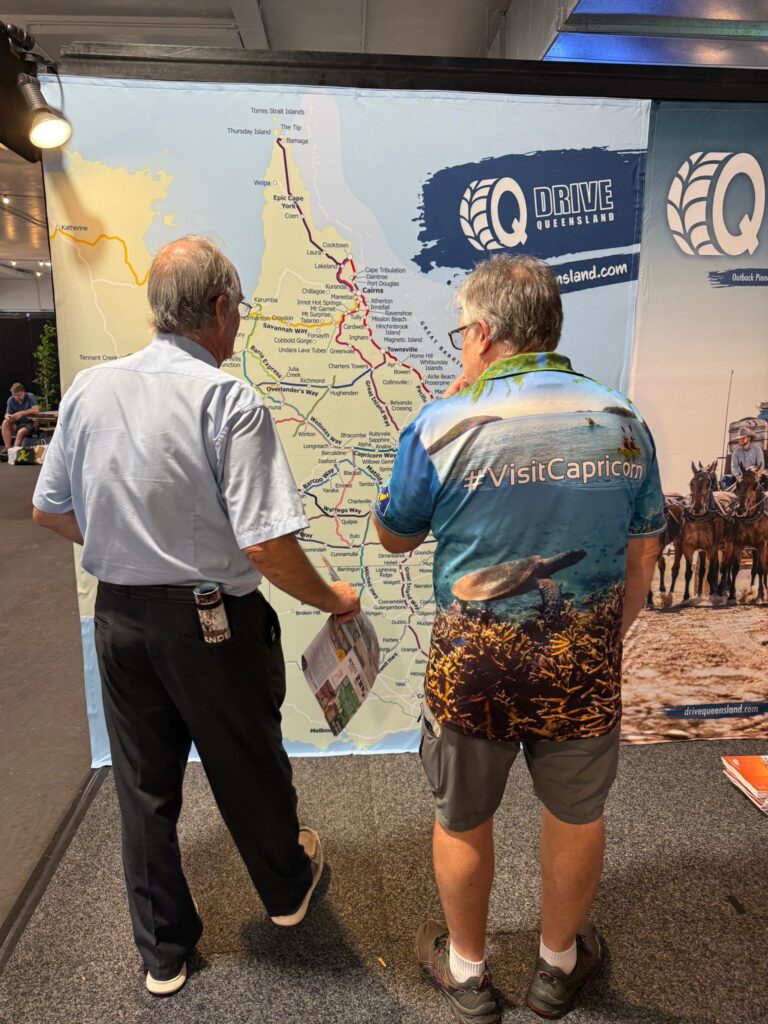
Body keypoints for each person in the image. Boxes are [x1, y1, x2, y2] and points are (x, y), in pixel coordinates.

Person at [32, 236, 359, 996]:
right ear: (217, 309)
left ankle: (164, 956)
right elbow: (266, 546)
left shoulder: (87, 390)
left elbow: (52, 513)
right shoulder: (228, 399)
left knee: (143, 788)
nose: (238, 324)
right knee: (248, 765)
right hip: (213, 626)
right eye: (238, 309)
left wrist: (123, 545)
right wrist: (332, 600)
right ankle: (285, 894)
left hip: (119, 622)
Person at [372, 254, 664, 1022]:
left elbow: (393, 535)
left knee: (462, 818)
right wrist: (600, 636)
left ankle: (469, 974)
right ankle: (556, 968)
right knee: (576, 815)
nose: (460, 348)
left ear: (485, 331)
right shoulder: (623, 421)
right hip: (584, 662)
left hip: (471, 671)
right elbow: (643, 560)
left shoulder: (442, 423)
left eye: (461, 333)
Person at [3, 382, 39, 449]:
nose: (17, 397)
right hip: (17, 423)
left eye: (18, 395)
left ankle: (15, 450)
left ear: (23, 392)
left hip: (29, 423)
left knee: (20, 432)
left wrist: (21, 413)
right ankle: (7, 448)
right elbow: (7, 414)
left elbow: (36, 409)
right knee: (5, 422)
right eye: (14, 395)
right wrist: (8, 417)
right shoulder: (11, 400)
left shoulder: (30, 396)